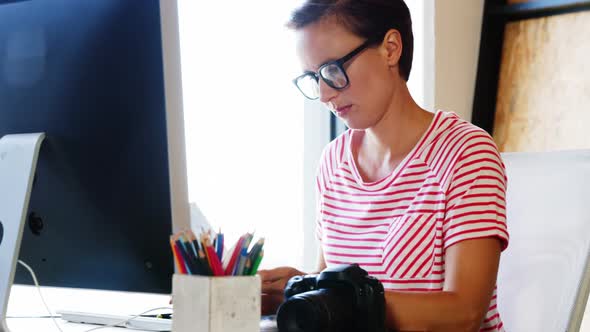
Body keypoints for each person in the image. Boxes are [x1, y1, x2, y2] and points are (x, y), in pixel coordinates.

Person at [258, 1, 509, 331]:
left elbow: (463, 313)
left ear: (391, 49)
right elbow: (335, 289)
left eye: (332, 70)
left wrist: (334, 297)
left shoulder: (465, 153)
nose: (323, 95)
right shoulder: (333, 164)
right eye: (313, 77)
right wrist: (295, 289)